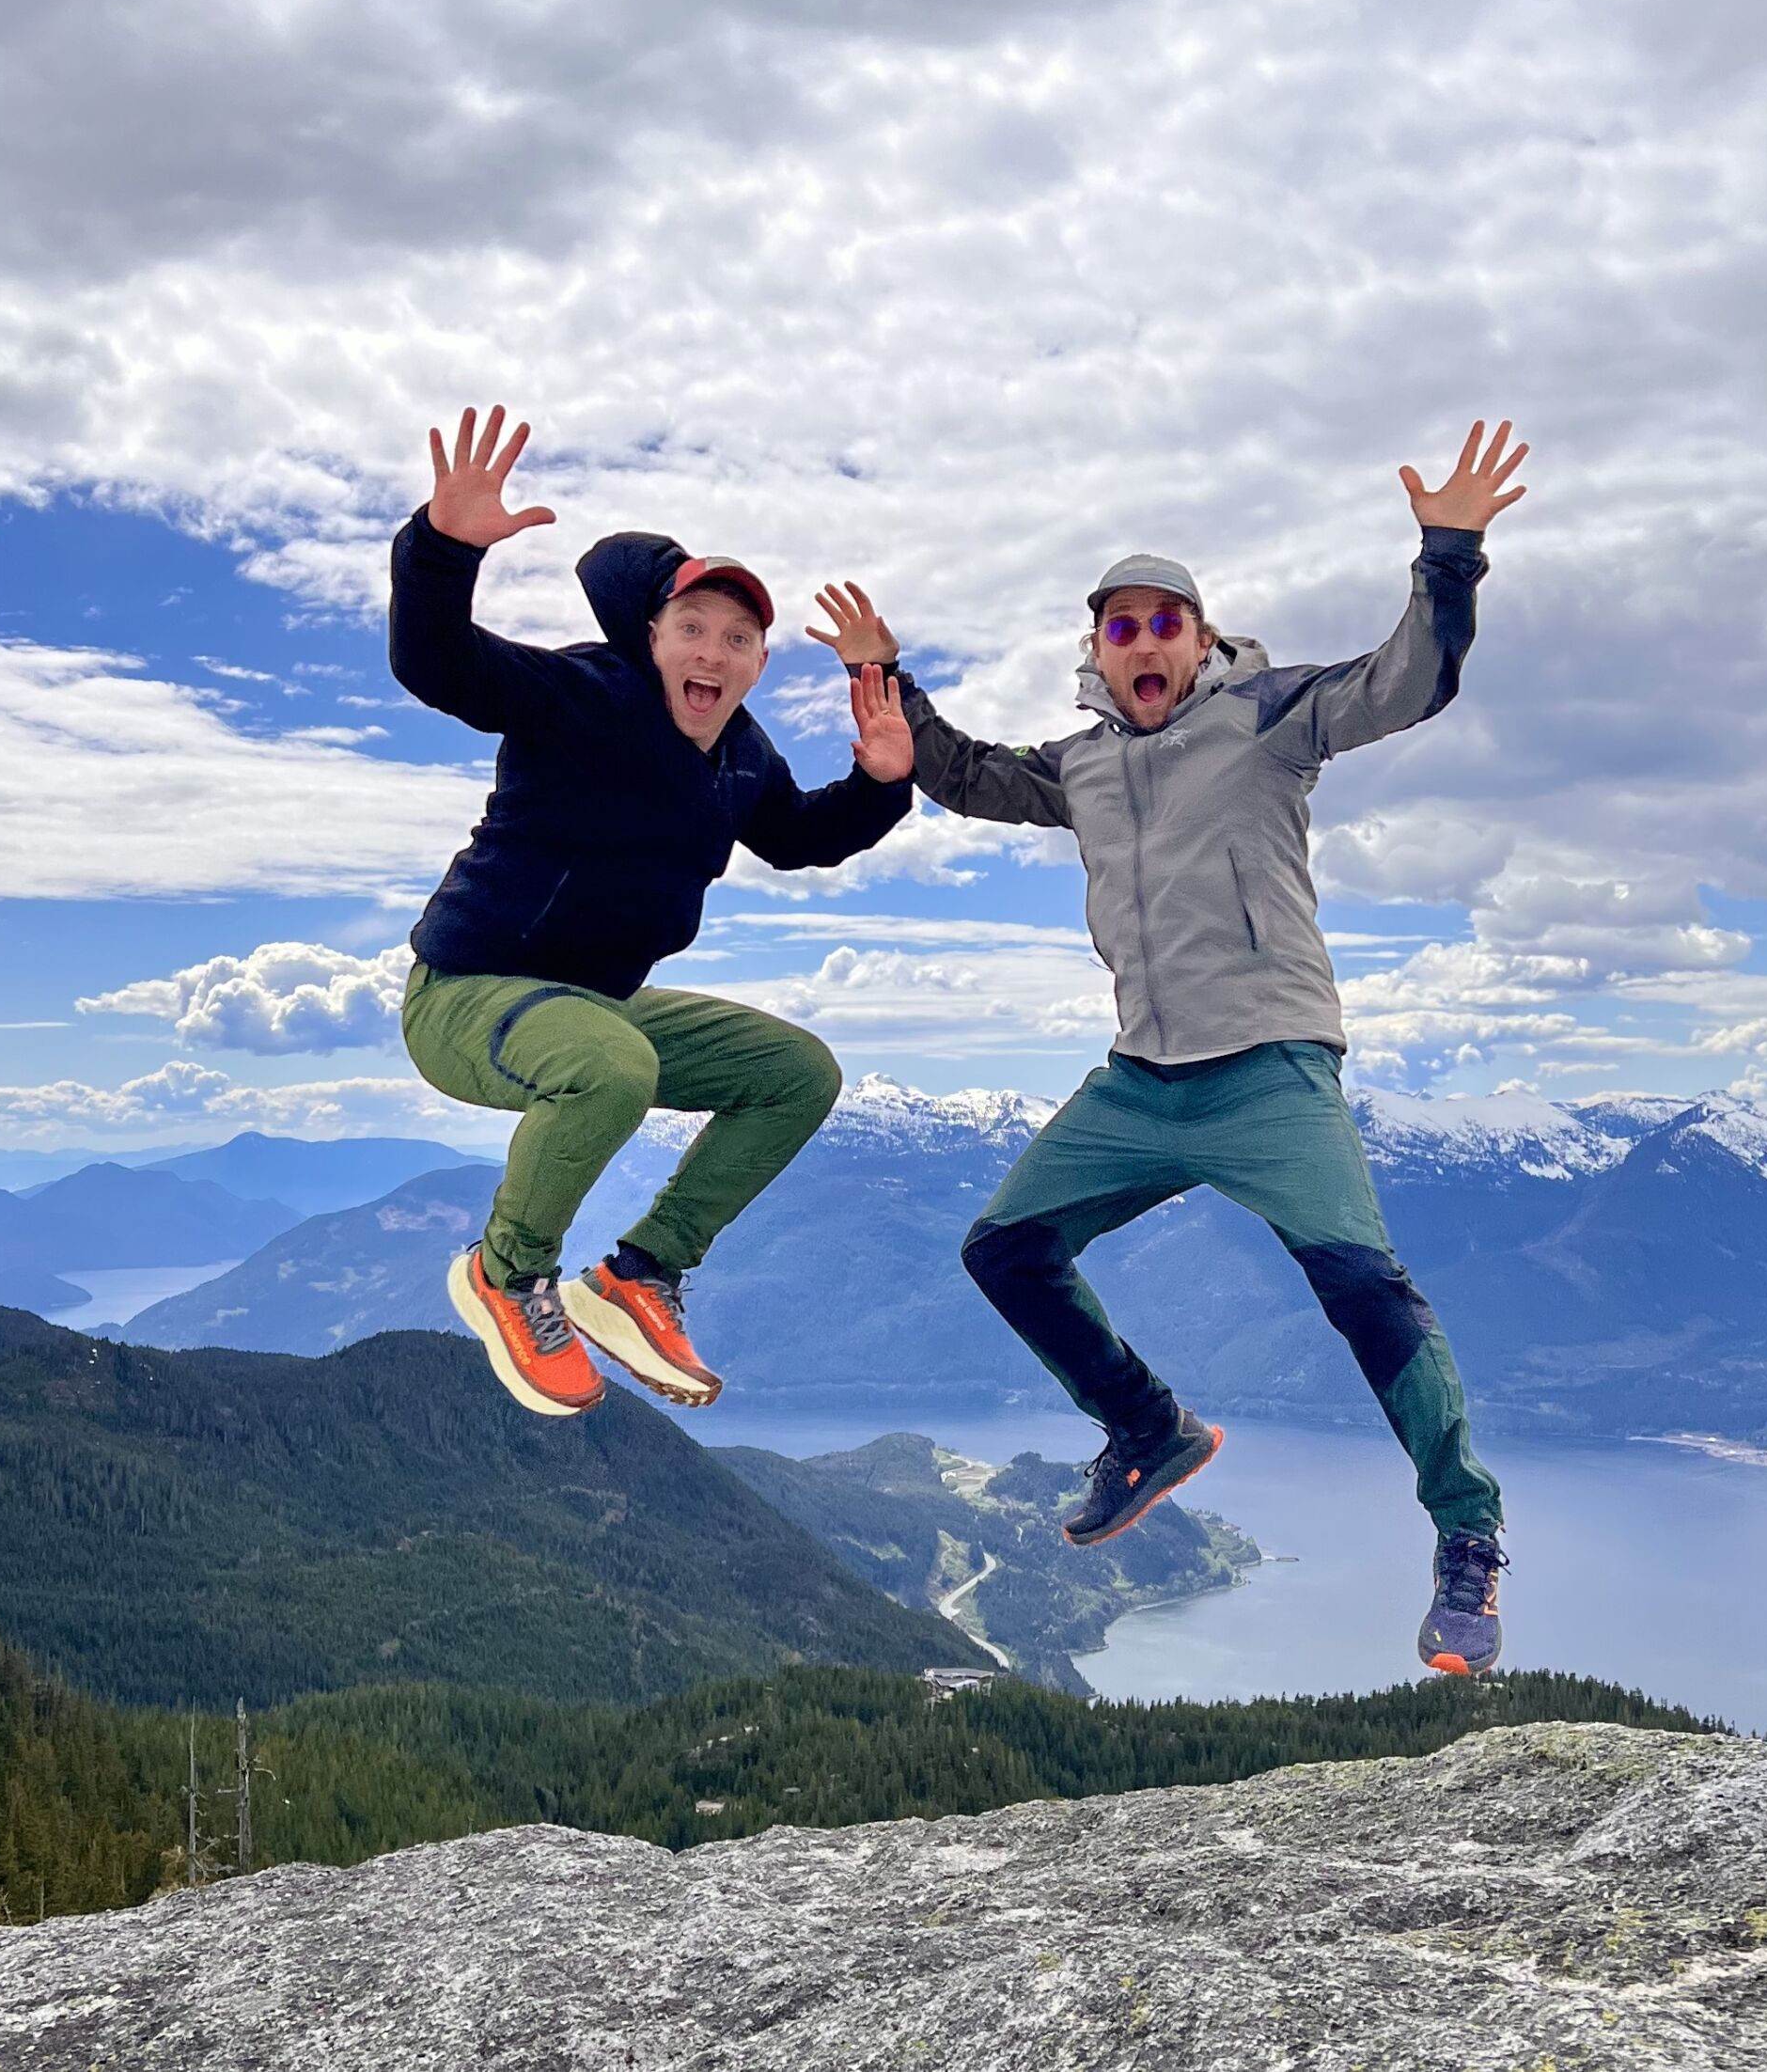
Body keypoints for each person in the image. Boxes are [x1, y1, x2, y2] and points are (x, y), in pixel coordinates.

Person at [809, 421, 1527, 1674]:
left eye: (1165, 622)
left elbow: (1409, 680)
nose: (1144, 643)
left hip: (1270, 1068)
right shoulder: (1082, 765)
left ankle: (1468, 1536)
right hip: (1143, 1077)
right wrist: (894, 686)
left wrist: (1448, 554)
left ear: (1202, 638)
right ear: (1095, 651)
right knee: (1004, 1247)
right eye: (1120, 627)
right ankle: (1146, 1423)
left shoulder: (1268, 714)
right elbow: (966, 771)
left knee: (1366, 1289)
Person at [395, 403, 915, 1419]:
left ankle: (638, 1276)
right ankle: (507, 1273)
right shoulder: (582, 693)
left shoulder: (744, 752)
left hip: (597, 1007)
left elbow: (800, 836)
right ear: (651, 638)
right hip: (466, 996)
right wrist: (441, 549)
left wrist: (882, 786)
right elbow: (439, 663)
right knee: (612, 1067)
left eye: (738, 638)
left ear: (760, 665)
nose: (712, 652)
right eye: (691, 629)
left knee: (795, 1073)